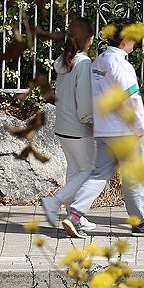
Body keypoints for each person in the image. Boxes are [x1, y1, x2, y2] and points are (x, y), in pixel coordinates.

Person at [62, 18, 144, 237]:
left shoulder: (98, 61)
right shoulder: (122, 65)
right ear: (126, 39)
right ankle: (139, 222)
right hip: (127, 132)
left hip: (104, 130)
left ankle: (75, 215)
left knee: (98, 175)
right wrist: (141, 128)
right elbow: (132, 98)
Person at [41, 16, 98, 235]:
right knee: (89, 170)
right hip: (77, 126)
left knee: (75, 170)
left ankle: (75, 218)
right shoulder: (83, 63)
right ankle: (55, 203)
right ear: (90, 39)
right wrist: (90, 120)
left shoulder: (64, 61)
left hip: (63, 125)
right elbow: (83, 98)